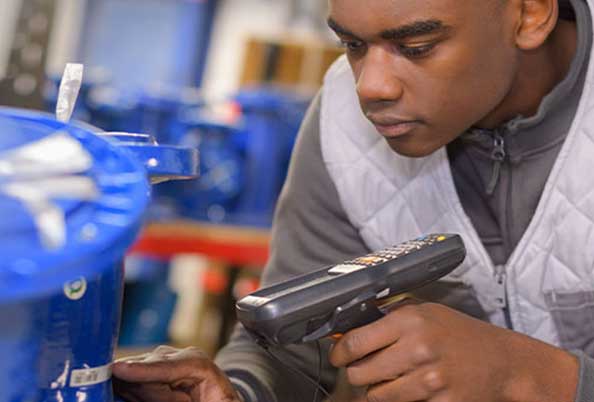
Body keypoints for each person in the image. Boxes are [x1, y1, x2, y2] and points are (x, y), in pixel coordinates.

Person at [112, 0, 594, 401]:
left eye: (416, 46)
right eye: (352, 45)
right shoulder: (342, 122)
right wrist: (239, 391)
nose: (371, 87)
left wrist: (530, 375)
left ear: (530, 13)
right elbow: (292, 344)